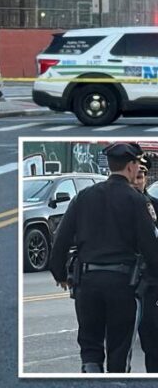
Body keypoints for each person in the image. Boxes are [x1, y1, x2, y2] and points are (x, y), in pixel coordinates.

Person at [49, 142, 158, 373]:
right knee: (119, 350)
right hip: (123, 286)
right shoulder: (137, 201)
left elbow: (61, 240)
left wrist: (60, 274)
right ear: (130, 166)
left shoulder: (83, 197)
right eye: (137, 164)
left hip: (87, 284)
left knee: (90, 348)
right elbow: (151, 249)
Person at [132, 155, 158, 372]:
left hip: (149, 281)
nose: (137, 181)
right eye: (135, 176)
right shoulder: (122, 201)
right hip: (126, 278)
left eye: (141, 176)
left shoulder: (153, 204)